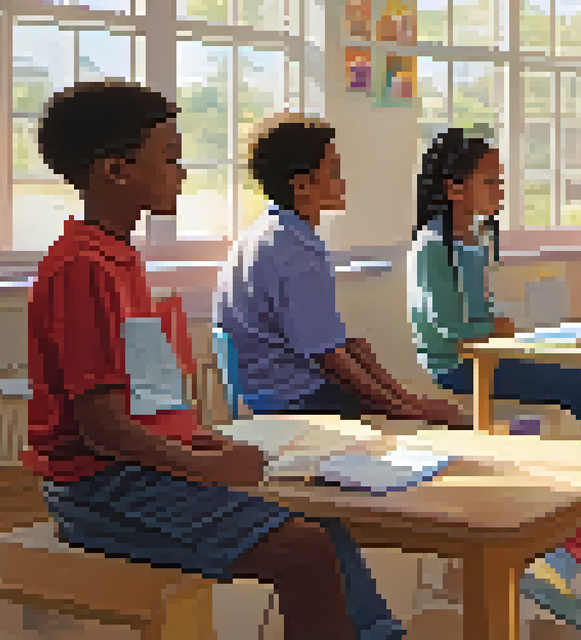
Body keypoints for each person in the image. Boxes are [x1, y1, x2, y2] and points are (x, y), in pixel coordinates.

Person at [27, 81, 395, 640]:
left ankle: (377, 630)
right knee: (303, 552)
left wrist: (201, 443)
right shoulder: (84, 268)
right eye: (169, 158)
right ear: (115, 171)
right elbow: (100, 428)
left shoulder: (118, 257)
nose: (180, 172)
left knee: (318, 516)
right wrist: (204, 467)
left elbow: (141, 401)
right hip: (100, 488)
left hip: (134, 467)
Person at [408, 128, 581, 627]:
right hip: (460, 364)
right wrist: (494, 329)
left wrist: (500, 329)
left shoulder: (476, 236)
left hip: (488, 352)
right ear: (454, 188)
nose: (500, 190)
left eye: (501, 180)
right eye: (490, 181)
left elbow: (477, 311)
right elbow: (446, 325)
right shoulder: (433, 246)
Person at [215, 114, 464, 426]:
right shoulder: (295, 253)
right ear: (302, 185)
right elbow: (329, 359)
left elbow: (341, 344)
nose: (343, 179)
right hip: (293, 398)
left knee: (361, 347)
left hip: (270, 391)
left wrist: (407, 399)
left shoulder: (268, 232)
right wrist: (404, 409)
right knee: (451, 421)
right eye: (333, 170)